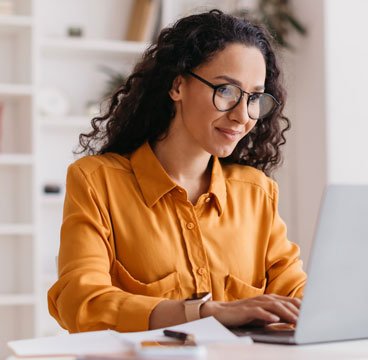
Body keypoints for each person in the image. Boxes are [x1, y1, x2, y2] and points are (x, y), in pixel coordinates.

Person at [47, 9, 306, 333]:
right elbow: (81, 303)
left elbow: (297, 299)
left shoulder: (256, 192)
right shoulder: (97, 181)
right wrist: (204, 313)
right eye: (226, 90)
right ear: (177, 86)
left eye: (254, 97)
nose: (243, 115)